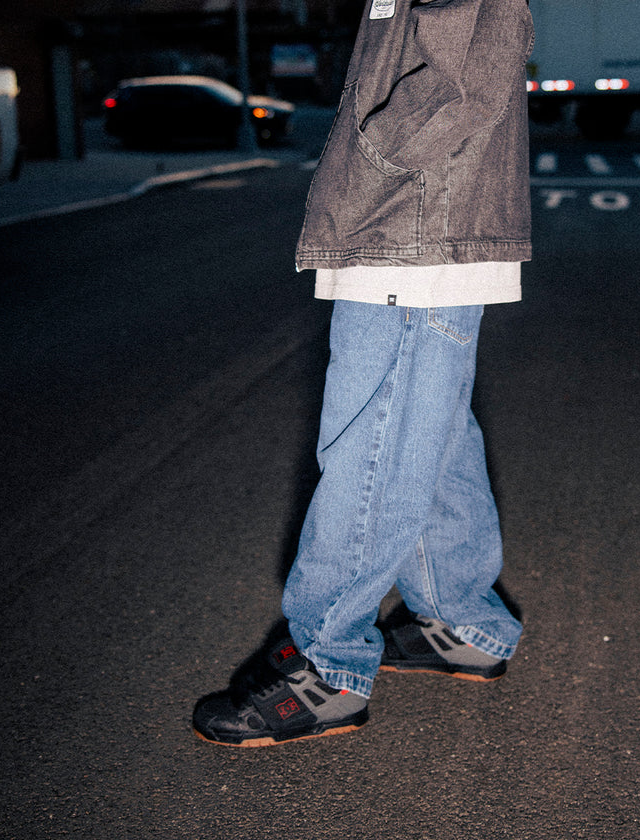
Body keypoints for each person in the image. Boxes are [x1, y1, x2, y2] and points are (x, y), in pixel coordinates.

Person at [193, 0, 535, 747]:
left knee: (374, 447)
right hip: (416, 225)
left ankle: (328, 664)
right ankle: (461, 621)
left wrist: (371, 160)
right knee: (426, 434)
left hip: (409, 230)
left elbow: (464, 77)